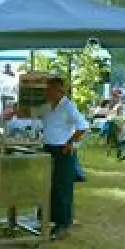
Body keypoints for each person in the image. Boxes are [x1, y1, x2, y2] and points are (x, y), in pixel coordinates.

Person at [41, 74, 88, 240]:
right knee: (50, 186)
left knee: (62, 188)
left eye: (49, 89)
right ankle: (50, 219)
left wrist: (70, 142)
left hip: (62, 151)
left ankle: (63, 225)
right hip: (48, 149)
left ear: (58, 90)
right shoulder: (48, 106)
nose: (46, 92)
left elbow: (83, 126)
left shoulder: (68, 106)